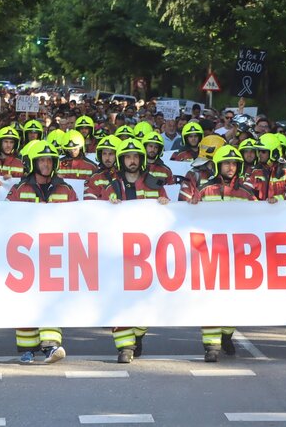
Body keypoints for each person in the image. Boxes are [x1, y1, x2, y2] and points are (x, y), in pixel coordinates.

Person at [6, 141, 78, 364]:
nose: (46, 164)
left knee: (51, 298)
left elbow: (79, 218)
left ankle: (51, 346)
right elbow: (4, 217)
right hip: (24, 255)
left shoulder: (66, 189)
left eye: (49, 160)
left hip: (54, 253)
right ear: (33, 163)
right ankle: (28, 349)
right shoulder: (18, 190)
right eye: (42, 160)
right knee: (25, 299)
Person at [102, 138, 170, 363]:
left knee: (151, 301)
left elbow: (171, 216)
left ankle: (137, 334)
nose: (132, 161)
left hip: (149, 255)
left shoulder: (155, 184)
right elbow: (97, 218)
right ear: (122, 160)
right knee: (118, 301)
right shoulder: (112, 187)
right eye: (128, 157)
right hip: (119, 256)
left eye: (136, 157)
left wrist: (164, 203)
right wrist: (107, 207)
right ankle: (125, 348)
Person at [187, 145, 257, 362]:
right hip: (210, 255)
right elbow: (189, 219)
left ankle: (226, 335)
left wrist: (269, 206)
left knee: (234, 300)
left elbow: (260, 222)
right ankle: (211, 346)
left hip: (237, 256)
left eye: (234, 163)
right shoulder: (205, 190)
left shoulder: (247, 193)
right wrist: (191, 205)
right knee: (209, 300)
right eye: (226, 163)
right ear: (217, 165)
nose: (230, 167)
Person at [84, 135, 119, 200]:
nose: (107, 158)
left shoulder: (126, 176)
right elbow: (89, 204)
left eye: (111, 154)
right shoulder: (93, 178)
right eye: (104, 153)